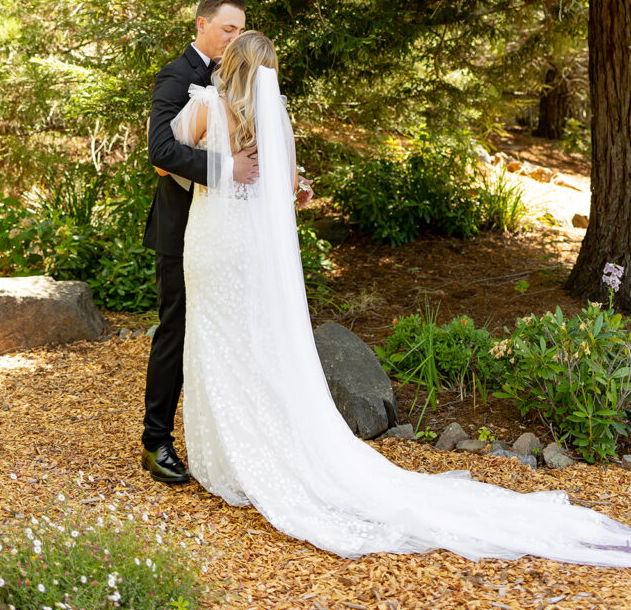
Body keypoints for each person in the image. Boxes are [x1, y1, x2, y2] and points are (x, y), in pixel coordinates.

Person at [170, 30, 631, 565]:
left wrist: (218, 173)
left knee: (216, 343)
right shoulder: (274, 119)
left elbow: (167, 161)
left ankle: (229, 459)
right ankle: (257, 449)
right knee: (252, 346)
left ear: (231, 63)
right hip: (250, 252)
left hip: (210, 243)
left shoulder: (204, 106)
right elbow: (284, 192)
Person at [141, 0, 257, 484]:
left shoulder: (237, 79)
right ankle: (156, 440)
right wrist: (226, 171)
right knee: (176, 330)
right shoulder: (176, 75)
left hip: (224, 230)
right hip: (181, 227)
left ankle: (224, 439)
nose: (235, 38)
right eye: (228, 29)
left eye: (241, 31)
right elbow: (161, 150)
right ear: (203, 25)